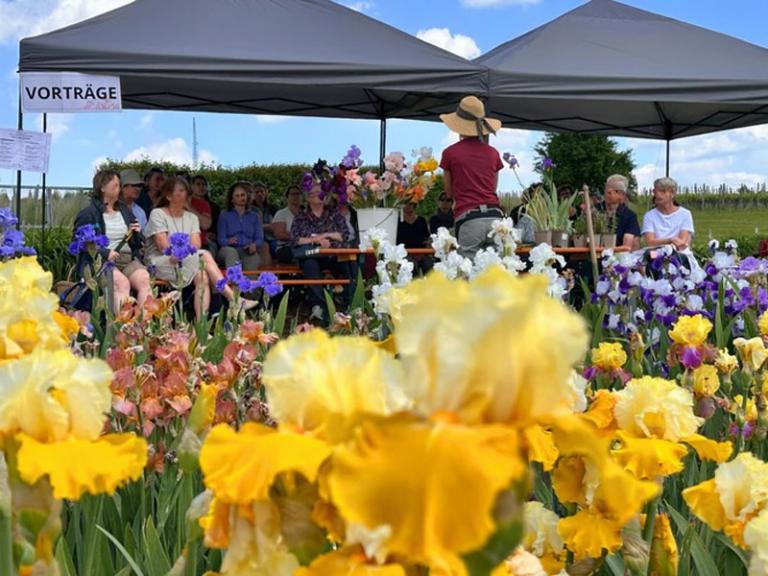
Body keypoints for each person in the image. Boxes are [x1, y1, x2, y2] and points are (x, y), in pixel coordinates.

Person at [144, 177, 256, 320]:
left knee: (202, 276)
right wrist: (182, 252)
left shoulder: (192, 217)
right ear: (168, 196)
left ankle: (201, 326)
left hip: (186, 259)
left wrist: (184, 254)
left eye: (185, 191)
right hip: (162, 260)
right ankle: (233, 298)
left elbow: (196, 244)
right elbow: (163, 247)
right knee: (205, 256)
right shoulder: (157, 213)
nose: (184, 195)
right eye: (180, 191)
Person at [73, 169, 150, 310]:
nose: (118, 186)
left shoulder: (125, 211)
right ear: (102, 187)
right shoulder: (89, 214)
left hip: (126, 259)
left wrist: (136, 233)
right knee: (122, 283)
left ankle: (144, 327)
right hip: (100, 262)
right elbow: (78, 243)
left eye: (119, 184)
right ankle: (121, 328)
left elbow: (136, 243)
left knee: (145, 279)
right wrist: (104, 252)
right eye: (115, 184)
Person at [439, 96, 505, 257]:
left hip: (469, 217)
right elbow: (493, 188)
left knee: (468, 274)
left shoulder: (450, 153)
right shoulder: (493, 153)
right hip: (495, 218)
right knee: (495, 272)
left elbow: (448, 192)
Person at [291, 182, 351, 321]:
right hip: (312, 255)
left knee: (349, 262)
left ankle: (348, 303)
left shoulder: (334, 215)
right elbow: (295, 240)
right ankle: (320, 306)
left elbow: (344, 235)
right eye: (314, 192)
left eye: (321, 192)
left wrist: (326, 237)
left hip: (333, 255)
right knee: (309, 264)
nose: (318, 195)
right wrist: (317, 240)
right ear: (308, 197)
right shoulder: (301, 217)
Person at [217, 181, 264, 271]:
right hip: (228, 249)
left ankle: (251, 285)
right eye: (237, 196)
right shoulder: (224, 215)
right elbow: (220, 240)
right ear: (232, 199)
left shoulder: (254, 216)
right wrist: (228, 241)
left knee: (253, 258)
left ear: (247, 197)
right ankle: (234, 284)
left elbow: (259, 238)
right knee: (232, 253)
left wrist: (254, 245)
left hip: (247, 249)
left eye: (243, 195)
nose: (241, 198)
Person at [642, 177, 694, 251]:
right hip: (655, 255)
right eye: (655, 191)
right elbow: (650, 242)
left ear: (672, 193)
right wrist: (671, 240)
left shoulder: (685, 214)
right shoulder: (649, 216)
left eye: (662, 191)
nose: (658, 194)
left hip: (679, 254)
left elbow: (682, 242)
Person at [604, 174, 641, 249]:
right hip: (592, 255)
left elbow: (627, 245)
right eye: (607, 188)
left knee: (635, 241)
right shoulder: (594, 211)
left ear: (622, 195)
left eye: (615, 190)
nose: (608, 192)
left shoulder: (629, 216)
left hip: (618, 256)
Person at [397, 202, 433, 275]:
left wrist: (424, 251)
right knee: (412, 266)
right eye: (406, 203)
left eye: (411, 204)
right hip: (405, 254)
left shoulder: (421, 220)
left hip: (422, 253)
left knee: (429, 264)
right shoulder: (397, 221)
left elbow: (427, 238)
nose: (408, 206)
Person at [272, 184, 303, 264]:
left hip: (305, 245)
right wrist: (300, 237)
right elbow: (279, 235)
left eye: (298, 194)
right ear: (287, 197)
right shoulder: (281, 213)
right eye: (293, 194)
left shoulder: (306, 213)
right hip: (286, 248)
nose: (296, 196)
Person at [251, 181, 275, 265]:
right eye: (257, 192)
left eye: (262, 191)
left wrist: (261, 226)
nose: (260, 194)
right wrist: (268, 226)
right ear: (253, 195)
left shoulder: (273, 208)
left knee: (275, 247)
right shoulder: (250, 210)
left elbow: (276, 227)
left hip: (272, 238)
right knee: (264, 246)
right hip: (256, 239)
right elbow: (252, 228)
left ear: (266, 193)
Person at [189, 175, 215, 251]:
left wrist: (188, 207)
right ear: (191, 187)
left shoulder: (205, 204)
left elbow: (205, 225)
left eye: (204, 184)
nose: (202, 187)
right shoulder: (181, 200)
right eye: (198, 184)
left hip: (200, 243)